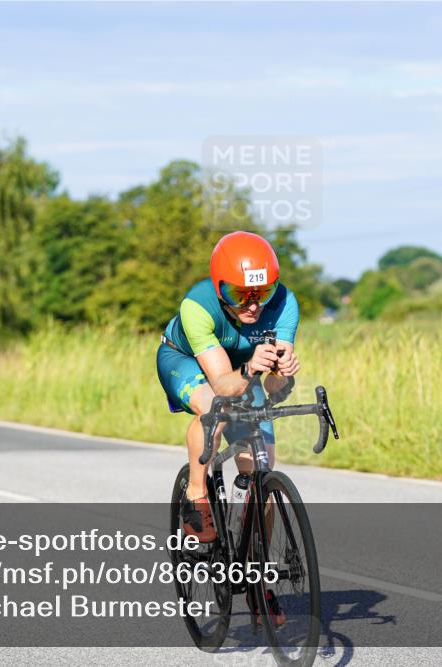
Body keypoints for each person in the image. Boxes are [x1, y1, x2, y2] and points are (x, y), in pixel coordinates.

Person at [156, 231, 300, 621]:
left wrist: (281, 374)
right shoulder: (198, 306)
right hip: (186, 363)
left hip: (243, 370)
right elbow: (223, 386)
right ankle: (197, 495)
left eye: (262, 292)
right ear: (220, 289)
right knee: (213, 408)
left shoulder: (285, 304)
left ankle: (257, 582)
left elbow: (272, 391)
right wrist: (252, 368)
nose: (253, 305)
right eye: (240, 294)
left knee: (262, 466)